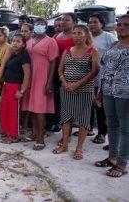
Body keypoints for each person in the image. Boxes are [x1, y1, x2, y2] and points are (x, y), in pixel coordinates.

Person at [54, 25, 99, 160]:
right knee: (66, 117)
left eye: (79, 33)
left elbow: (94, 71)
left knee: (83, 120)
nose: (76, 36)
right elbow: (60, 70)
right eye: (74, 33)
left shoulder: (92, 51)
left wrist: (77, 85)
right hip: (66, 90)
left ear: (86, 35)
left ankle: (79, 148)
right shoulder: (67, 50)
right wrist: (65, 83)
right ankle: (65, 144)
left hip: (84, 90)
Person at [95, 15, 129, 177]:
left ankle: (122, 164)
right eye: (119, 24)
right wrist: (100, 92)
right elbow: (105, 69)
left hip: (125, 95)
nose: (121, 27)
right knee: (112, 125)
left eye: (126, 25)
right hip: (108, 91)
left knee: (126, 129)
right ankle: (112, 158)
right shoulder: (114, 46)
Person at [21, 18, 58, 150]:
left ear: (46, 27)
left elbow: (53, 63)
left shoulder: (51, 41)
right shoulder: (30, 41)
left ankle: (41, 139)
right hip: (30, 76)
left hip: (42, 77)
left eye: (42, 24)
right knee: (32, 107)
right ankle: (35, 132)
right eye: (37, 24)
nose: (39, 26)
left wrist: (49, 83)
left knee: (40, 109)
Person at [88, 13, 118, 144]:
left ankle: (102, 132)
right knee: (88, 104)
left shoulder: (109, 37)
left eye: (95, 22)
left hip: (102, 78)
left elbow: (116, 56)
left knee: (100, 107)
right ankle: (87, 128)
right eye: (90, 22)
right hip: (87, 77)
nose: (92, 24)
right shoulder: (87, 37)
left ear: (102, 24)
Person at [0, 34, 31, 144]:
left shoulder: (24, 55)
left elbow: (27, 74)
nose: (15, 43)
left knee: (13, 113)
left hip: (16, 87)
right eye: (14, 41)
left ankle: (14, 136)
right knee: (4, 110)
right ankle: (6, 132)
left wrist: (22, 91)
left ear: (23, 44)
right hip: (7, 86)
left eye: (18, 41)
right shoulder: (12, 54)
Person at [50, 13, 77, 133]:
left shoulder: (76, 37)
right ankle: (57, 122)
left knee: (68, 102)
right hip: (55, 71)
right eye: (62, 20)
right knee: (56, 99)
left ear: (74, 23)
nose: (63, 22)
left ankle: (67, 132)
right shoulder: (56, 35)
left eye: (67, 20)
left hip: (70, 72)